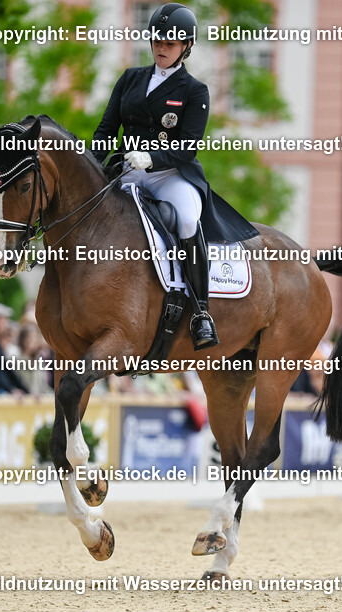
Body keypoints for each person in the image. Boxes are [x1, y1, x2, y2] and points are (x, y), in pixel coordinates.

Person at [91, 3, 259, 351]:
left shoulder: (194, 90)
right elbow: (107, 130)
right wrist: (92, 164)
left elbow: (187, 147)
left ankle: (200, 312)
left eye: (170, 43)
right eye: (157, 41)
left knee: (186, 218)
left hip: (170, 175)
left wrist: (150, 157)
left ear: (186, 47)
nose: (161, 47)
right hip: (126, 171)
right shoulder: (130, 78)